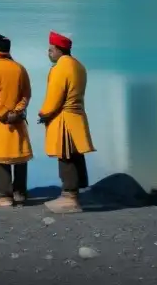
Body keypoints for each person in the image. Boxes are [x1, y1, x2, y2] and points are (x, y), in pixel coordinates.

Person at [38, 31, 95, 214]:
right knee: (76, 156)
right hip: (77, 115)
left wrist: (44, 113)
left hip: (64, 118)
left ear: (59, 49)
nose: (48, 53)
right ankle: (75, 194)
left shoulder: (61, 68)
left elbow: (55, 96)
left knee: (66, 157)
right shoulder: (79, 66)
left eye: (51, 49)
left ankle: (69, 197)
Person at [0, 34, 33, 207]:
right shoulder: (19, 68)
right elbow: (26, 94)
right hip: (17, 120)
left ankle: (4, 195)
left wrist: (3, 113)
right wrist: (16, 111)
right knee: (19, 156)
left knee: (1, 157)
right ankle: (20, 193)